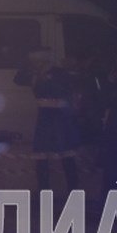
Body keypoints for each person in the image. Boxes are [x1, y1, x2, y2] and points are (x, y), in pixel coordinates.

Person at [15, 48, 80, 201]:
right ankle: (44, 193)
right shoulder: (34, 75)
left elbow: (68, 89)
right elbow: (17, 79)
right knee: (41, 157)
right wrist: (28, 65)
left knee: (66, 156)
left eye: (38, 61)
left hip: (60, 119)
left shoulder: (59, 73)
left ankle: (74, 194)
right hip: (44, 118)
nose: (36, 64)